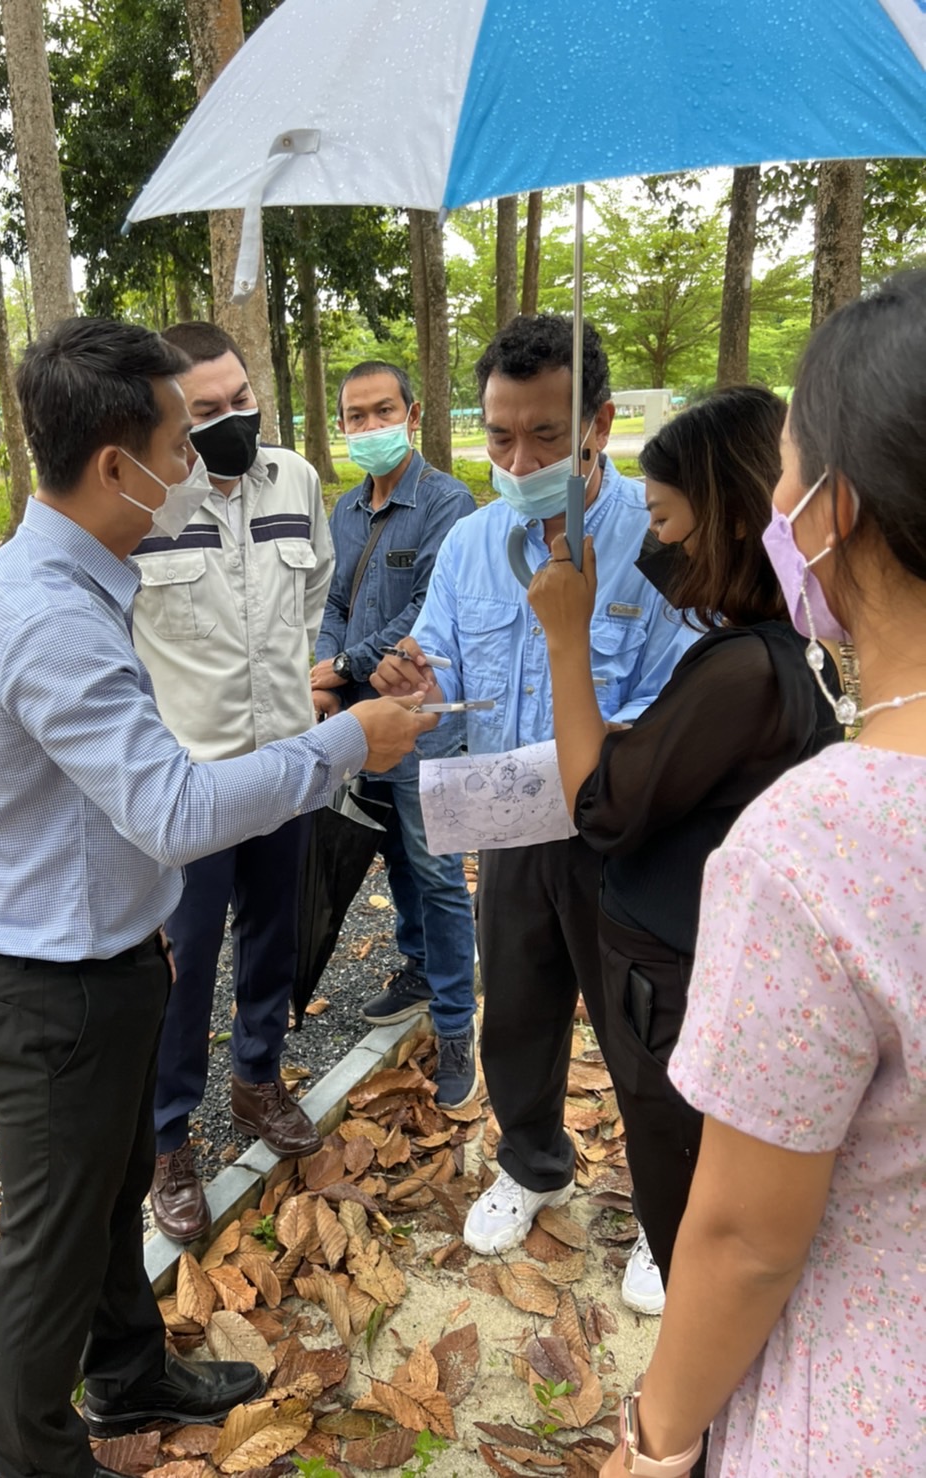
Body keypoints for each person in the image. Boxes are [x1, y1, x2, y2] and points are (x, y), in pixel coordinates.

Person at [0, 316, 431, 1478]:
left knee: (108, 1207)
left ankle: (126, 1375)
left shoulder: (73, 574)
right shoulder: (54, 615)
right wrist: (344, 742)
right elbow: (167, 806)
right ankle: (35, 1453)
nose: (191, 466)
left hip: (97, 958)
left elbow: (110, 798)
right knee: (50, 1257)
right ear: (115, 466)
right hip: (50, 990)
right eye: (176, 442)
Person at [599, 272, 926, 1478]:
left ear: (833, 508)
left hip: (859, 1389)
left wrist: (655, 1433)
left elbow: (743, 1236)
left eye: (789, 466)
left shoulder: (817, 842)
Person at [372, 314, 699, 1265]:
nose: (520, 457)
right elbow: (436, 658)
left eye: (546, 435)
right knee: (515, 1009)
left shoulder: (659, 534)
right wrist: (413, 682)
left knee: (643, 1032)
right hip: (508, 825)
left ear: (597, 423)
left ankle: (663, 1208)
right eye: (500, 434)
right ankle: (531, 1162)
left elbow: (680, 701)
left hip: (626, 839)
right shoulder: (473, 542)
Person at [527, 386, 842, 1339]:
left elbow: (597, 808)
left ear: (733, 517)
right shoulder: (770, 652)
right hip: (685, 971)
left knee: (680, 1196)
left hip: (671, 990)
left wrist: (566, 641)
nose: (655, 542)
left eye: (665, 518)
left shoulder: (746, 669)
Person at [132, 320, 335, 1244]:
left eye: (241, 398)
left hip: (285, 765)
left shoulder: (293, 480)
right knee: (182, 963)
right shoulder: (149, 502)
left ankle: (257, 1079)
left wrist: (311, 679)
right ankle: (168, 1141)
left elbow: (314, 587)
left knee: (273, 935)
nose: (232, 420)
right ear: (174, 416)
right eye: (207, 410)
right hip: (192, 778)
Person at [311, 360, 479, 1107]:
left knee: (438, 869)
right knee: (392, 853)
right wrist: (328, 673)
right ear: (342, 424)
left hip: (422, 719)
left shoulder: (448, 503)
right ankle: (417, 967)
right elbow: (336, 601)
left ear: (412, 415)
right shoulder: (346, 509)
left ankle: (455, 1024)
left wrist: (342, 664)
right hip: (359, 714)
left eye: (385, 411)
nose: (370, 426)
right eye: (356, 415)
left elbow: (425, 611)